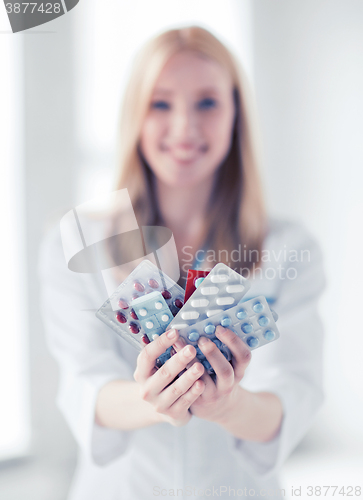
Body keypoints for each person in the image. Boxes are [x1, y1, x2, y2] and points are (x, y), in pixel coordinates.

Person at [40, 26, 325, 500]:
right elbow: (84, 388)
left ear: (237, 114)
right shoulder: (74, 243)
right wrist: (155, 400)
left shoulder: (290, 247)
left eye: (208, 102)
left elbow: (294, 395)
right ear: (135, 115)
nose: (184, 127)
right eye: (161, 103)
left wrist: (227, 406)